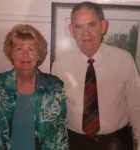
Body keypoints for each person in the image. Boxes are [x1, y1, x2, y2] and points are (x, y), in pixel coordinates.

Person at [52, 1, 140, 150]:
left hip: (116, 142)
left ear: (103, 26)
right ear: (71, 30)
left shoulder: (124, 60)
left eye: (92, 25)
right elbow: (54, 111)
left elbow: (136, 105)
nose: (86, 33)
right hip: (74, 142)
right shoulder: (60, 64)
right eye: (79, 26)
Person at [0, 24, 68, 150]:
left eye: (31, 49)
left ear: (38, 55)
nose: (25, 55)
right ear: (11, 54)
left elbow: (60, 137)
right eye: (19, 49)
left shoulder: (55, 87)